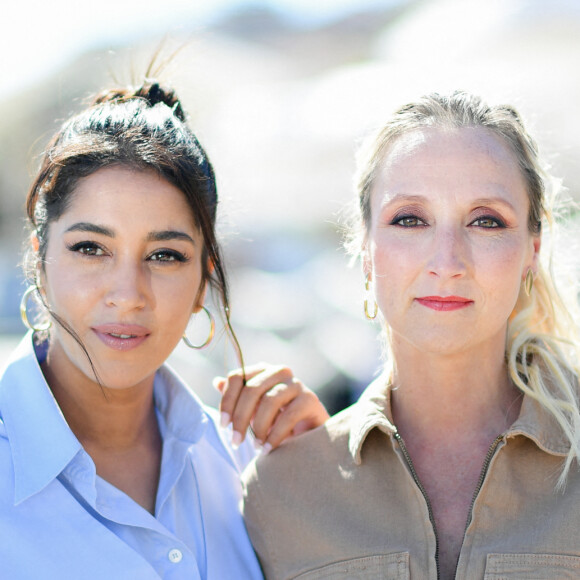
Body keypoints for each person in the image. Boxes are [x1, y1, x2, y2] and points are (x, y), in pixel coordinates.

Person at [241, 91, 580, 579]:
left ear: (532, 249)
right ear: (365, 246)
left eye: (486, 221)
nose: (447, 263)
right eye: (409, 219)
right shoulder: (280, 493)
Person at [0, 80, 328, 579]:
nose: (128, 293)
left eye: (164, 255)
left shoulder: (250, 460)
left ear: (204, 282)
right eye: (91, 248)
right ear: (39, 259)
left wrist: (324, 477)